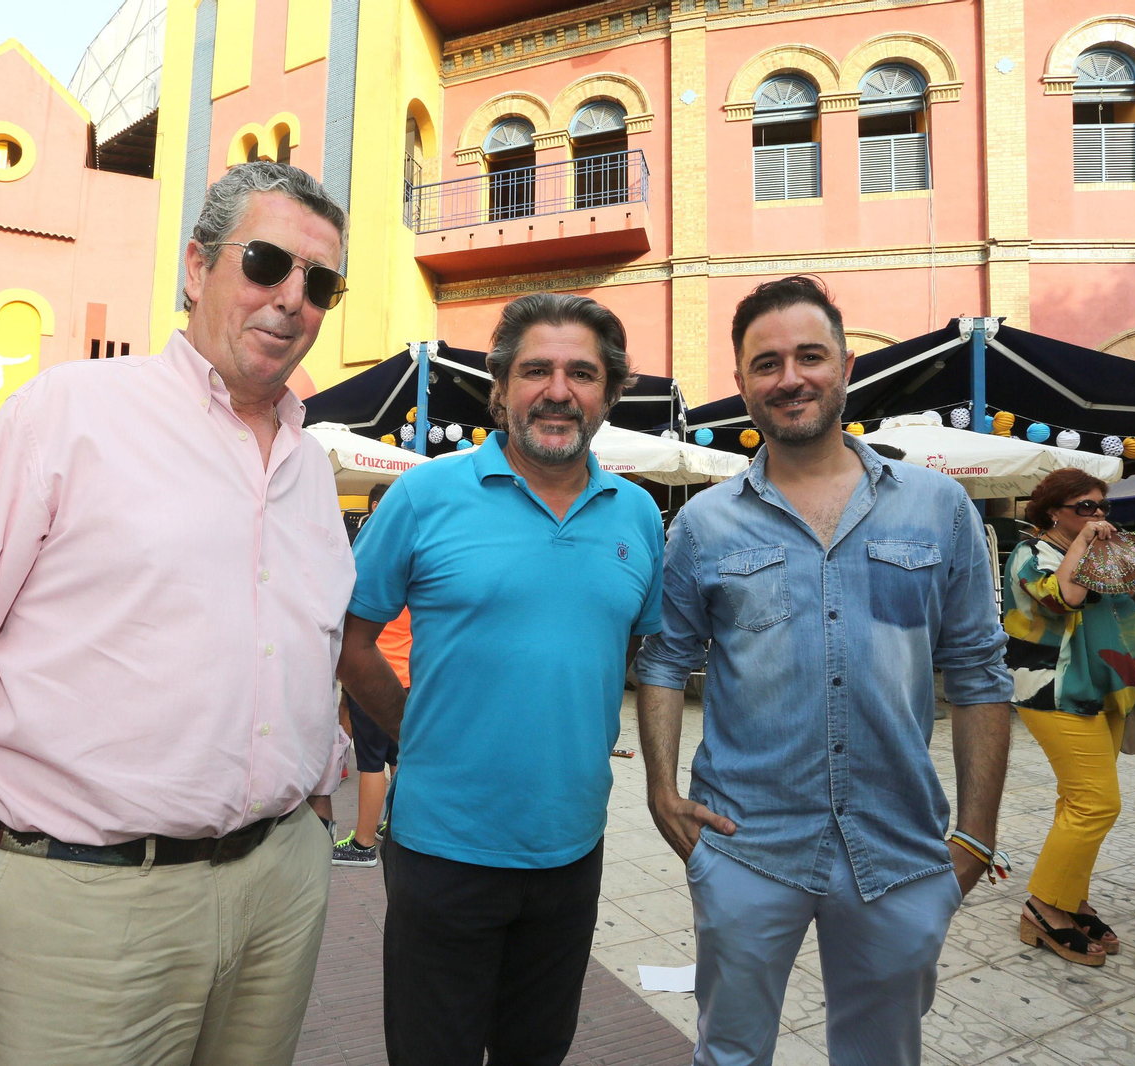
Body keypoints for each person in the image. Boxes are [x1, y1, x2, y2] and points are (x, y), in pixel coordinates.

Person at [0, 162, 355, 1066]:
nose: (291, 298)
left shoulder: (312, 471)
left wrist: (313, 791)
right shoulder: (68, 416)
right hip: (90, 908)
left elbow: (303, 648)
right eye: (266, 262)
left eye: (321, 283)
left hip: (283, 888)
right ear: (196, 268)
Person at [635, 276, 1011, 1066]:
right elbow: (667, 658)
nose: (790, 377)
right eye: (765, 363)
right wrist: (661, 793)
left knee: (880, 1056)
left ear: (845, 366)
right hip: (745, 844)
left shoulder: (939, 508)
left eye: (810, 355)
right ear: (741, 384)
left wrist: (975, 836)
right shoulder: (704, 523)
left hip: (899, 848)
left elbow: (979, 673)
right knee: (730, 1053)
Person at [339, 292, 664, 1066]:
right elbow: (348, 638)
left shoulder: (640, 515)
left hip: (571, 851)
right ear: (500, 388)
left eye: (582, 373)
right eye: (536, 370)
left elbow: (631, 647)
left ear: (609, 393)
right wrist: (416, 726)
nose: (558, 391)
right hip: (442, 850)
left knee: (537, 1052)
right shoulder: (424, 495)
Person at [1003, 469, 1135, 966]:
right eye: (1085, 507)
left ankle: (1069, 899)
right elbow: (1062, 599)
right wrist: (1085, 544)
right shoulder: (1031, 554)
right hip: (1053, 688)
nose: (1098, 515)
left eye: (1102, 507)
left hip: (1104, 683)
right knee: (1096, 804)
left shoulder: (1095, 549)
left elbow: (1128, 603)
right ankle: (1042, 907)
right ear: (1053, 511)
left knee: (1076, 801)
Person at [332, 480, 409, 869]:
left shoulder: (376, 562)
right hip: (410, 676)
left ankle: (363, 843)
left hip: (377, 675)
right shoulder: (417, 555)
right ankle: (396, 826)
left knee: (371, 762)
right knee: (401, 758)